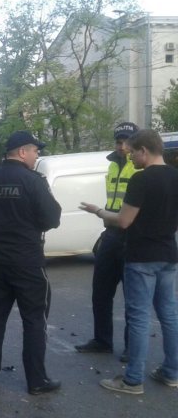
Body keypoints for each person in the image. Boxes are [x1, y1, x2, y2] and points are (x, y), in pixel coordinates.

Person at [80, 129, 178, 394]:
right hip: (168, 254)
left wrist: (99, 211)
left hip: (141, 256)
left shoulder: (141, 180)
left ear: (144, 151)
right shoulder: (175, 176)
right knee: (169, 315)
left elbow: (124, 221)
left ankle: (133, 379)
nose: (130, 155)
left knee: (139, 317)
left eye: (134, 151)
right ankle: (171, 372)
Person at [0, 131, 62, 395]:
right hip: (26, 258)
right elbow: (51, 219)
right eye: (35, 151)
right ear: (22, 152)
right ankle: (36, 380)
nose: (37, 156)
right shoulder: (33, 181)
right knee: (34, 318)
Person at [75, 122, 139, 362]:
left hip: (131, 235)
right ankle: (102, 341)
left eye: (126, 141)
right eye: (118, 141)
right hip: (111, 234)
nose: (122, 146)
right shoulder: (112, 165)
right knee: (100, 292)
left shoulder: (140, 167)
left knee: (133, 296)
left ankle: (133, 347)